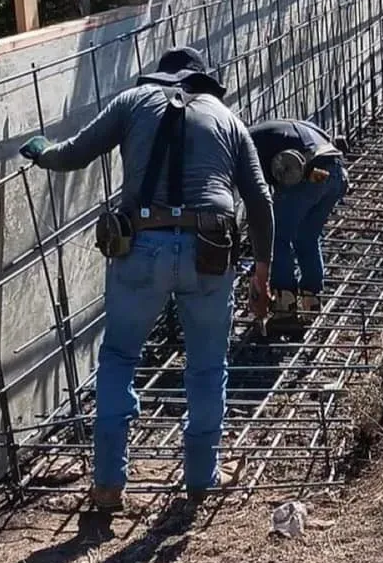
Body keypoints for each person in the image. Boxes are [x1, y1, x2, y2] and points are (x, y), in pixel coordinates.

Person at [18, 45, 274, 515]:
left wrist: (41, 152)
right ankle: (200, 479)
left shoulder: (132, 103)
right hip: (209, 250)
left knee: (119, 356)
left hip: (140, 246)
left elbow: (73, 154)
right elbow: (259, 200)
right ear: (203, 81)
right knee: (206, 366)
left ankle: (108, 482)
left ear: (160, 77)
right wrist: (262, 272)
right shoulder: (228, 120)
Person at [247, 117, 347, 334]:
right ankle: (311, 299)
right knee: (306, 236)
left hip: (308, 175)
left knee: (277, 236)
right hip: (337, 174)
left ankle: (285, 305)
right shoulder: (271, 132)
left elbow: (257, 201)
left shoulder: (242, 145)